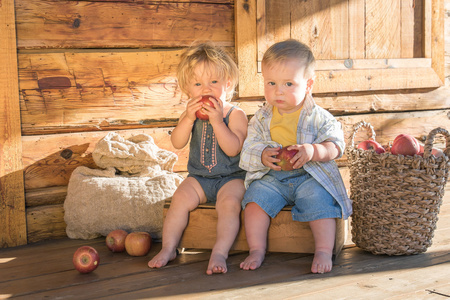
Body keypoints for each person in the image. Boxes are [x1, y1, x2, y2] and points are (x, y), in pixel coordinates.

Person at [239, 39, 352, 274]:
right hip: (273, 177)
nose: (278, 90)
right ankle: (257, 249)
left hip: (310, 176)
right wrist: (262, 155)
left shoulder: (318, 117)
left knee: (320, 202)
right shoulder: (261, 118)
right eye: (271, 83)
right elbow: (249, 147)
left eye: (288, 83)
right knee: (253, 202)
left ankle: (322, 249)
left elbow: (336, 145)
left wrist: (313, 151)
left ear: (308, 85)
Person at [148, 42, 248, 275]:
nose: (206, 89)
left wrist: (216, 121)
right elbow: (177, 142)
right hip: (199, 178)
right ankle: (169, 248)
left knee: (229, 204)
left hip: (232, 178)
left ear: (228, 84)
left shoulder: (235, 114)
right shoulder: (190, 114)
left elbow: (234, 149)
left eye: (214, 82)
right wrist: (187, 120)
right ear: (188, 90)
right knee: (179, 199)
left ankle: (219, 252)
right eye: (198, 84)